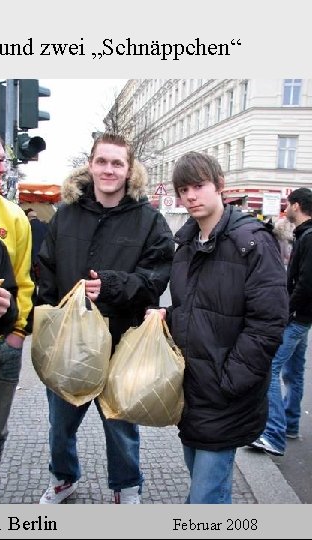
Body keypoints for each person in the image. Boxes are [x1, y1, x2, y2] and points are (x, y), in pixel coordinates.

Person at [36, 133, 174, 504]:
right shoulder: (66, 215)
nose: (109, 169)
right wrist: (51, 319)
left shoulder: (149, 220)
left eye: (117, 163)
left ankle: (126, 487)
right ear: (91, 165)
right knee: (60, 426)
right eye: (102, 161)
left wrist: (113, 285)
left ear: (130, 171)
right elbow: (45, 269)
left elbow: (157, 276)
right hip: (71, 345)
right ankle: (64, 478)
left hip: (120, 342)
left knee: (120, 426)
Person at [150, 151, 287, 503]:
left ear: (219, 186)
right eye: (184, 189)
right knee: (206, 486)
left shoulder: (253, 242)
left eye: (198, 186)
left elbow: (268, 323)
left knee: (203, 497)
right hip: (193, 389)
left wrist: (231, 381)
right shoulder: (185, 245)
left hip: (226, 394)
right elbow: (193, 306)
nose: (191, 196)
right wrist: (167, 316)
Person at [250, 187, 312, 456]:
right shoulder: (304, 234)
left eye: (288, 204)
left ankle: (273, 434)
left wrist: (285, 310)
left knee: (270, 369)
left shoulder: (309, 237)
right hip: (304, 317)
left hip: (297, 317)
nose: (285, 209)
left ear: (296, 205)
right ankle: (290, 423)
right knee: (294, 372)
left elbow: (307, 282)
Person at [0, 136, 34, 466]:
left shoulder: (16, 216)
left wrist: (18, 334)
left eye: (0, 159)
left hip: (7, 345)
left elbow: (25, 281)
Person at [24, 208, 49, 284]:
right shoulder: (45, 225)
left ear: (28, 218)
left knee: (36, 281)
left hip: (34, 259)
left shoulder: (27, 227)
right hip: (46, 257)